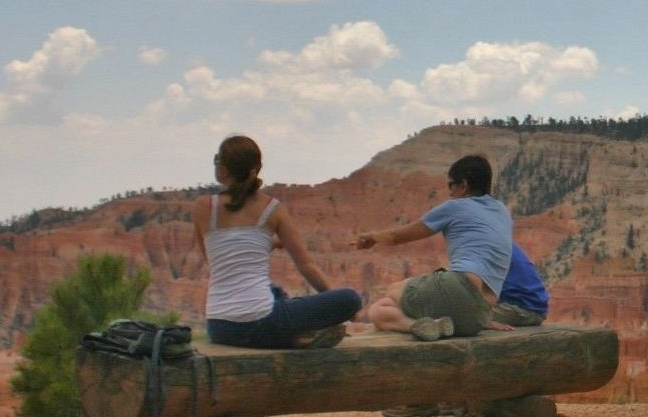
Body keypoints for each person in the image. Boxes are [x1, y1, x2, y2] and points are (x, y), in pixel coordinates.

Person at [196, 135, 362, 348]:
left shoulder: (202, 208)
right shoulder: (271, 208)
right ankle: (299, 335)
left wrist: (269, 245)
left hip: (219, 327)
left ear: (223, 170)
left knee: (273, 290)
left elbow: (215, 259)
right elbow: (306, 266)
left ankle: (294, 332)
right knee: (350, 298)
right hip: (262, 324)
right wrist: (340, 307)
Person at [355, 154, 534, 340]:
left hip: (460, 285)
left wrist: (371, 237)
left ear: (463, 185)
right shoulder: (503, 211)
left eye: (451, 185)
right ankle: (427, 326)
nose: (449, 192)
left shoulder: (455, 207)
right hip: (479, 316)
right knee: (379, 310)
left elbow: (395, 237)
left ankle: (413, 325)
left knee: (391, 292)